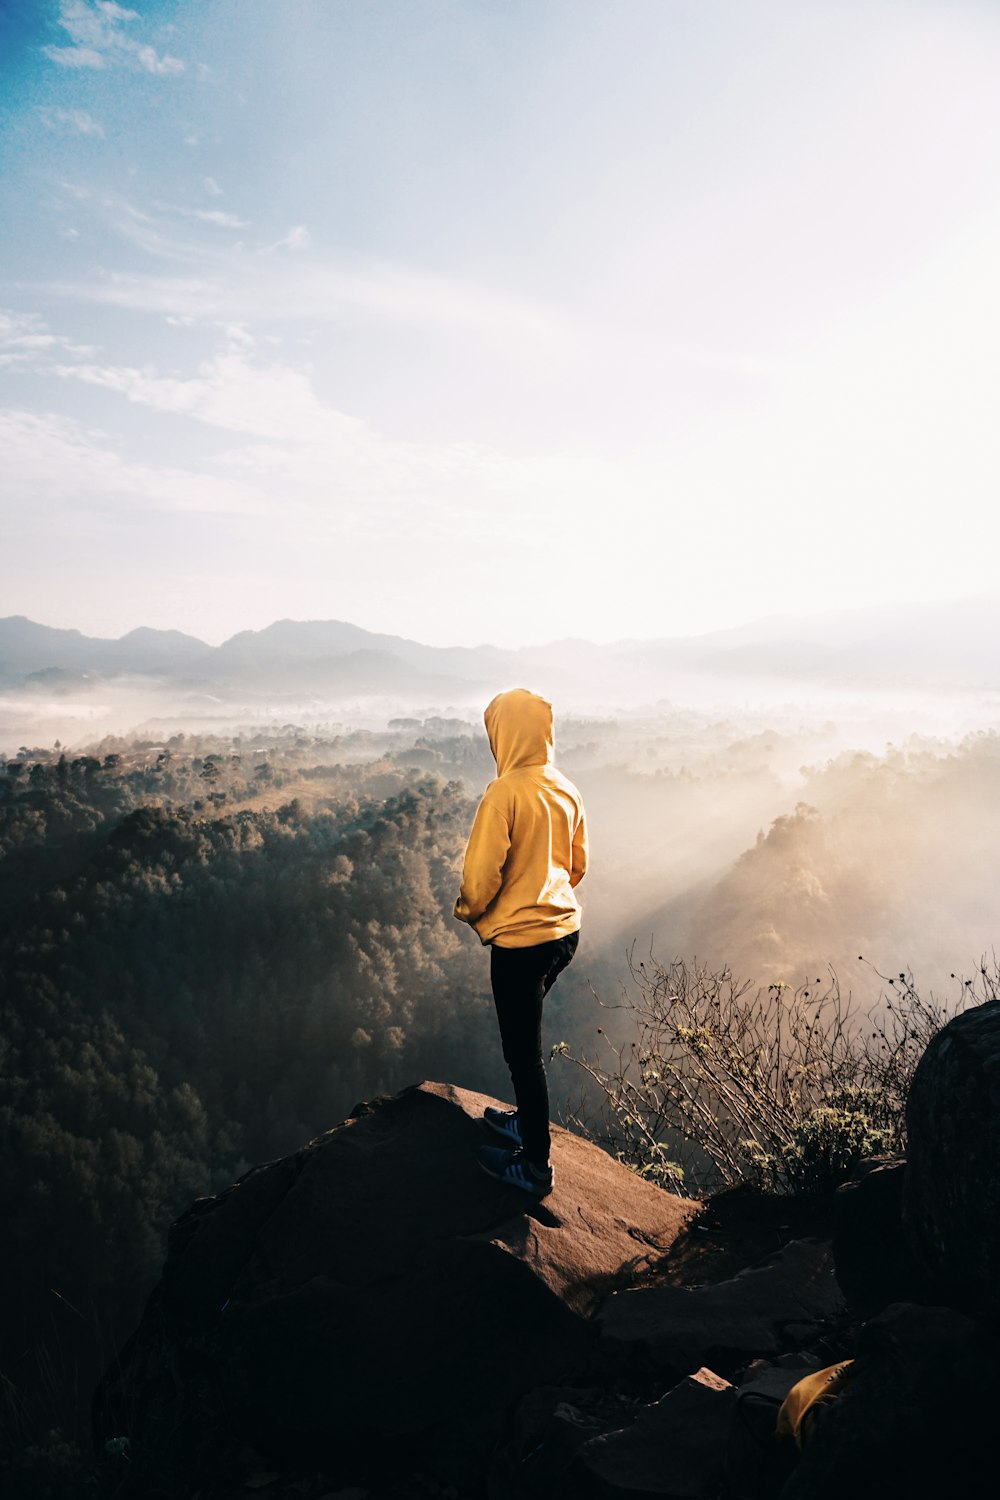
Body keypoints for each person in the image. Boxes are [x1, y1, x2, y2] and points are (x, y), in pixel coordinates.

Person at [454, 687, 588, 1199]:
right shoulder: (566, 788)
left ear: (503, 734)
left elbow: (481, 876)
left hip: (521, 943)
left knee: (522, 1053)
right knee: (525, 1043)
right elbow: (577, 866)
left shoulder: (504, 792)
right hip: (563, 934)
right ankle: (524, 1122)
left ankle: (534, 1166)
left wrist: (471, 912)